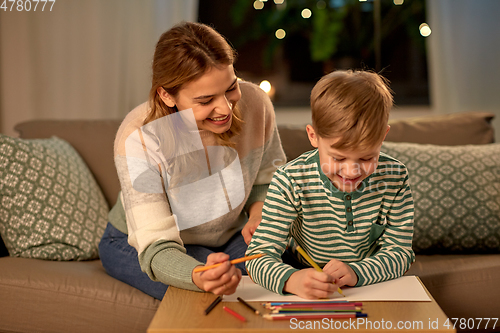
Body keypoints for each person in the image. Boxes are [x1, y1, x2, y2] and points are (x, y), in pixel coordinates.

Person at [98, 21, 286, 300]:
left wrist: (259, 213)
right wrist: (197, 276)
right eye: (206, 99)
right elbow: (156, 246)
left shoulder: (256, 103)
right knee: (208, 296)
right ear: (166, 95)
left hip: (228, 237)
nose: (225, 108)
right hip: (142, 244)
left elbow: (267, 179)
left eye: (231, 88)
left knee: (277, 278)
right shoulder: (138, 137)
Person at [245, 69, 415, 300]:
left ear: (383, 136)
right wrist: (291, 279)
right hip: (304, 280)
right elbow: (258, 256)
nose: (352, 171)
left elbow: (400, 252)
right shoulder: (290, 181)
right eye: (338, 158)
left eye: (366, 158)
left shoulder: (395, 177)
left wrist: (357, 272)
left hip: (369, 284)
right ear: (313, 136)